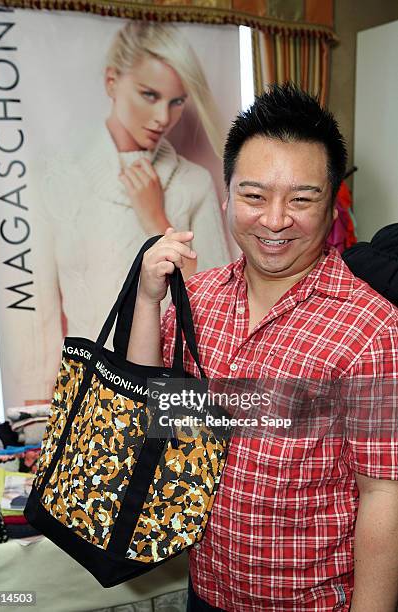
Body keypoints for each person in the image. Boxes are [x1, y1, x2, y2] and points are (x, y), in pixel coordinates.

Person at [126, 84, 398, 611]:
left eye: (301, 198)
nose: (275, 220)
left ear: (333, 203)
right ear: (227, 198)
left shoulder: (372, 327)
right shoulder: (199, 298)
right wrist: (146, 300)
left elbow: (383, 495)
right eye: (254, 196)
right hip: (206, 589)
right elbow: (150, 415)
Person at [28, 21, 230, 403]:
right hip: (86, 393)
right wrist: (41, 407)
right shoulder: (55, 175)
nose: (162, 117)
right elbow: (39, 307)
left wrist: (156, 219)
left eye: (176, 101)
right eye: (149, 94)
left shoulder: (193, 182)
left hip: (172, 391)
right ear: (111, 82)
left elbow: (214, 307)